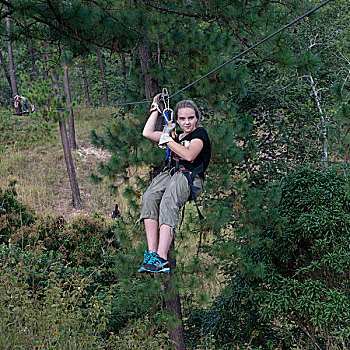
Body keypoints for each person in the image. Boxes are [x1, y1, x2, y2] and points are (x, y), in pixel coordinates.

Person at [138, 95, 211, 273]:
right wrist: (156, 110)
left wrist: (168, 139)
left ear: (197, 118)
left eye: (191, 118)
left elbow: (189, 155)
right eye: (183, 119)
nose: (187, 122)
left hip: (189, 177)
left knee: (169, 201)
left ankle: (162, 258)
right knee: (149, 197)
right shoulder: (175, 135)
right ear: (177, 120)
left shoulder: (199, 134)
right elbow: (147, 133)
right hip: (171, 174)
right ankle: (152, 253)